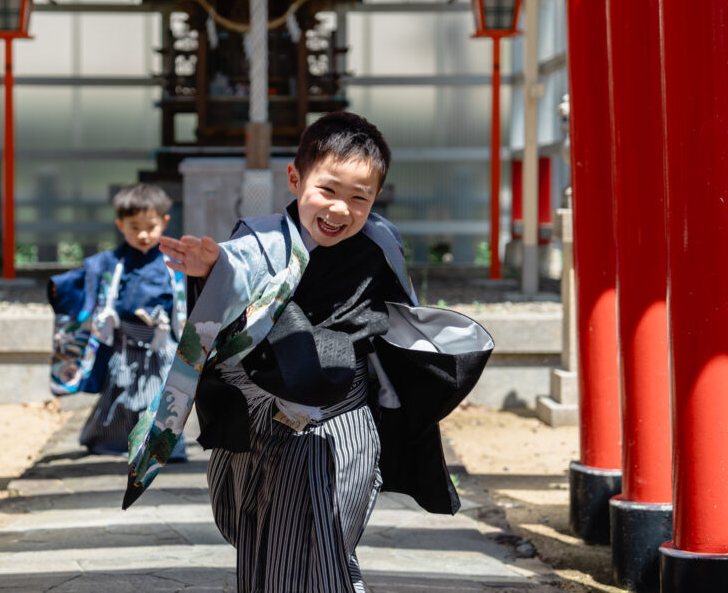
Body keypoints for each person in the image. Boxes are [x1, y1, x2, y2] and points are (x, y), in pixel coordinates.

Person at [123, 112, 493, 591]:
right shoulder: (258, 243)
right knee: (266, 545)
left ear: (376, 199)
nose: (340, 210)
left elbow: (401, 318)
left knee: (326, 541)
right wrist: (211, 269)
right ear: (296, 179)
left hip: (343, 421)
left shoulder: (381, 244)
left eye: (360, 198)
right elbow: (234, 271)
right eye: (329, 190)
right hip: (261, 424)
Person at [47, 182, 187, 459]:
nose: (143, 234)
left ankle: (162, 448)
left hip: (161, 345)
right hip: (123, 343)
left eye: (151, 226)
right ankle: (111, 441)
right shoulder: (110, 262)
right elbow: (80, 282)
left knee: (159, 402)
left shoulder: (175, 263)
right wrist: (60, 288)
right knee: (120, 397)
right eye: (134, 227)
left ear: (165, 222)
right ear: (120, 224)